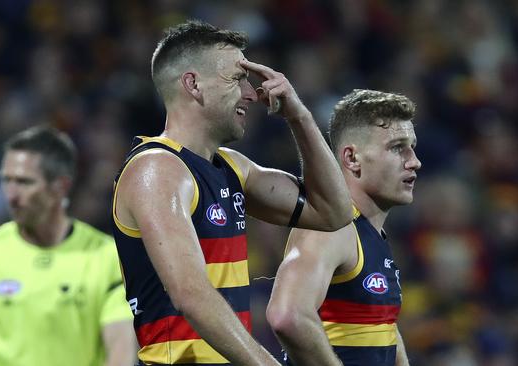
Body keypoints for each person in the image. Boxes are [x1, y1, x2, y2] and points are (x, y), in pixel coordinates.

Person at [111, 20, 353, 365]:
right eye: (236, 78)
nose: (251, 93)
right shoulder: (157, 169)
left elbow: (334, 212)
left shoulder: (232, 168)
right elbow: (190, 294)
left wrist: (299, 116)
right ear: (193, 85)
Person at [267, 89, 422, 366]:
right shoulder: (330, 229)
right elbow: (288, 315)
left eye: (412, 147)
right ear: (351, 158)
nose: (414, 161)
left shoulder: (370, 232)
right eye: (398, 147)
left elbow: (382, 326)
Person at [0, 125, 137, 366]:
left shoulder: (105, 258)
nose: (11, 195)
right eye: (6, 180)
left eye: (24, 182)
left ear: (60, 187)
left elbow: (120, 351)